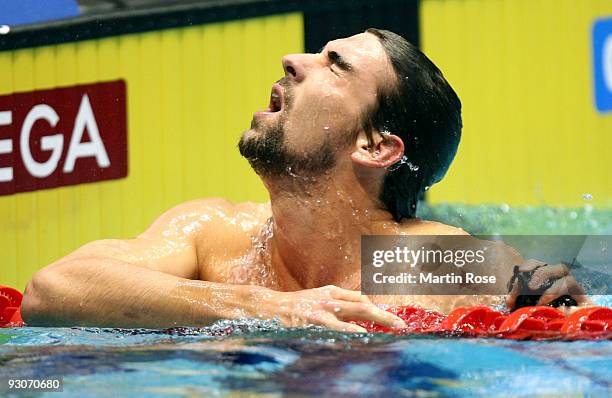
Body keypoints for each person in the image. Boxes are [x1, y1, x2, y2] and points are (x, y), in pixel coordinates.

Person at [21, 29, 586, 331]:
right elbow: (53, 290)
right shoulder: (216, 231)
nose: (293, 58)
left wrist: (549, 303)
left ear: (376, 146)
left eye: (334, 65)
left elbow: (538, 291)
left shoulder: (422, 261)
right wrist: (263, 307)